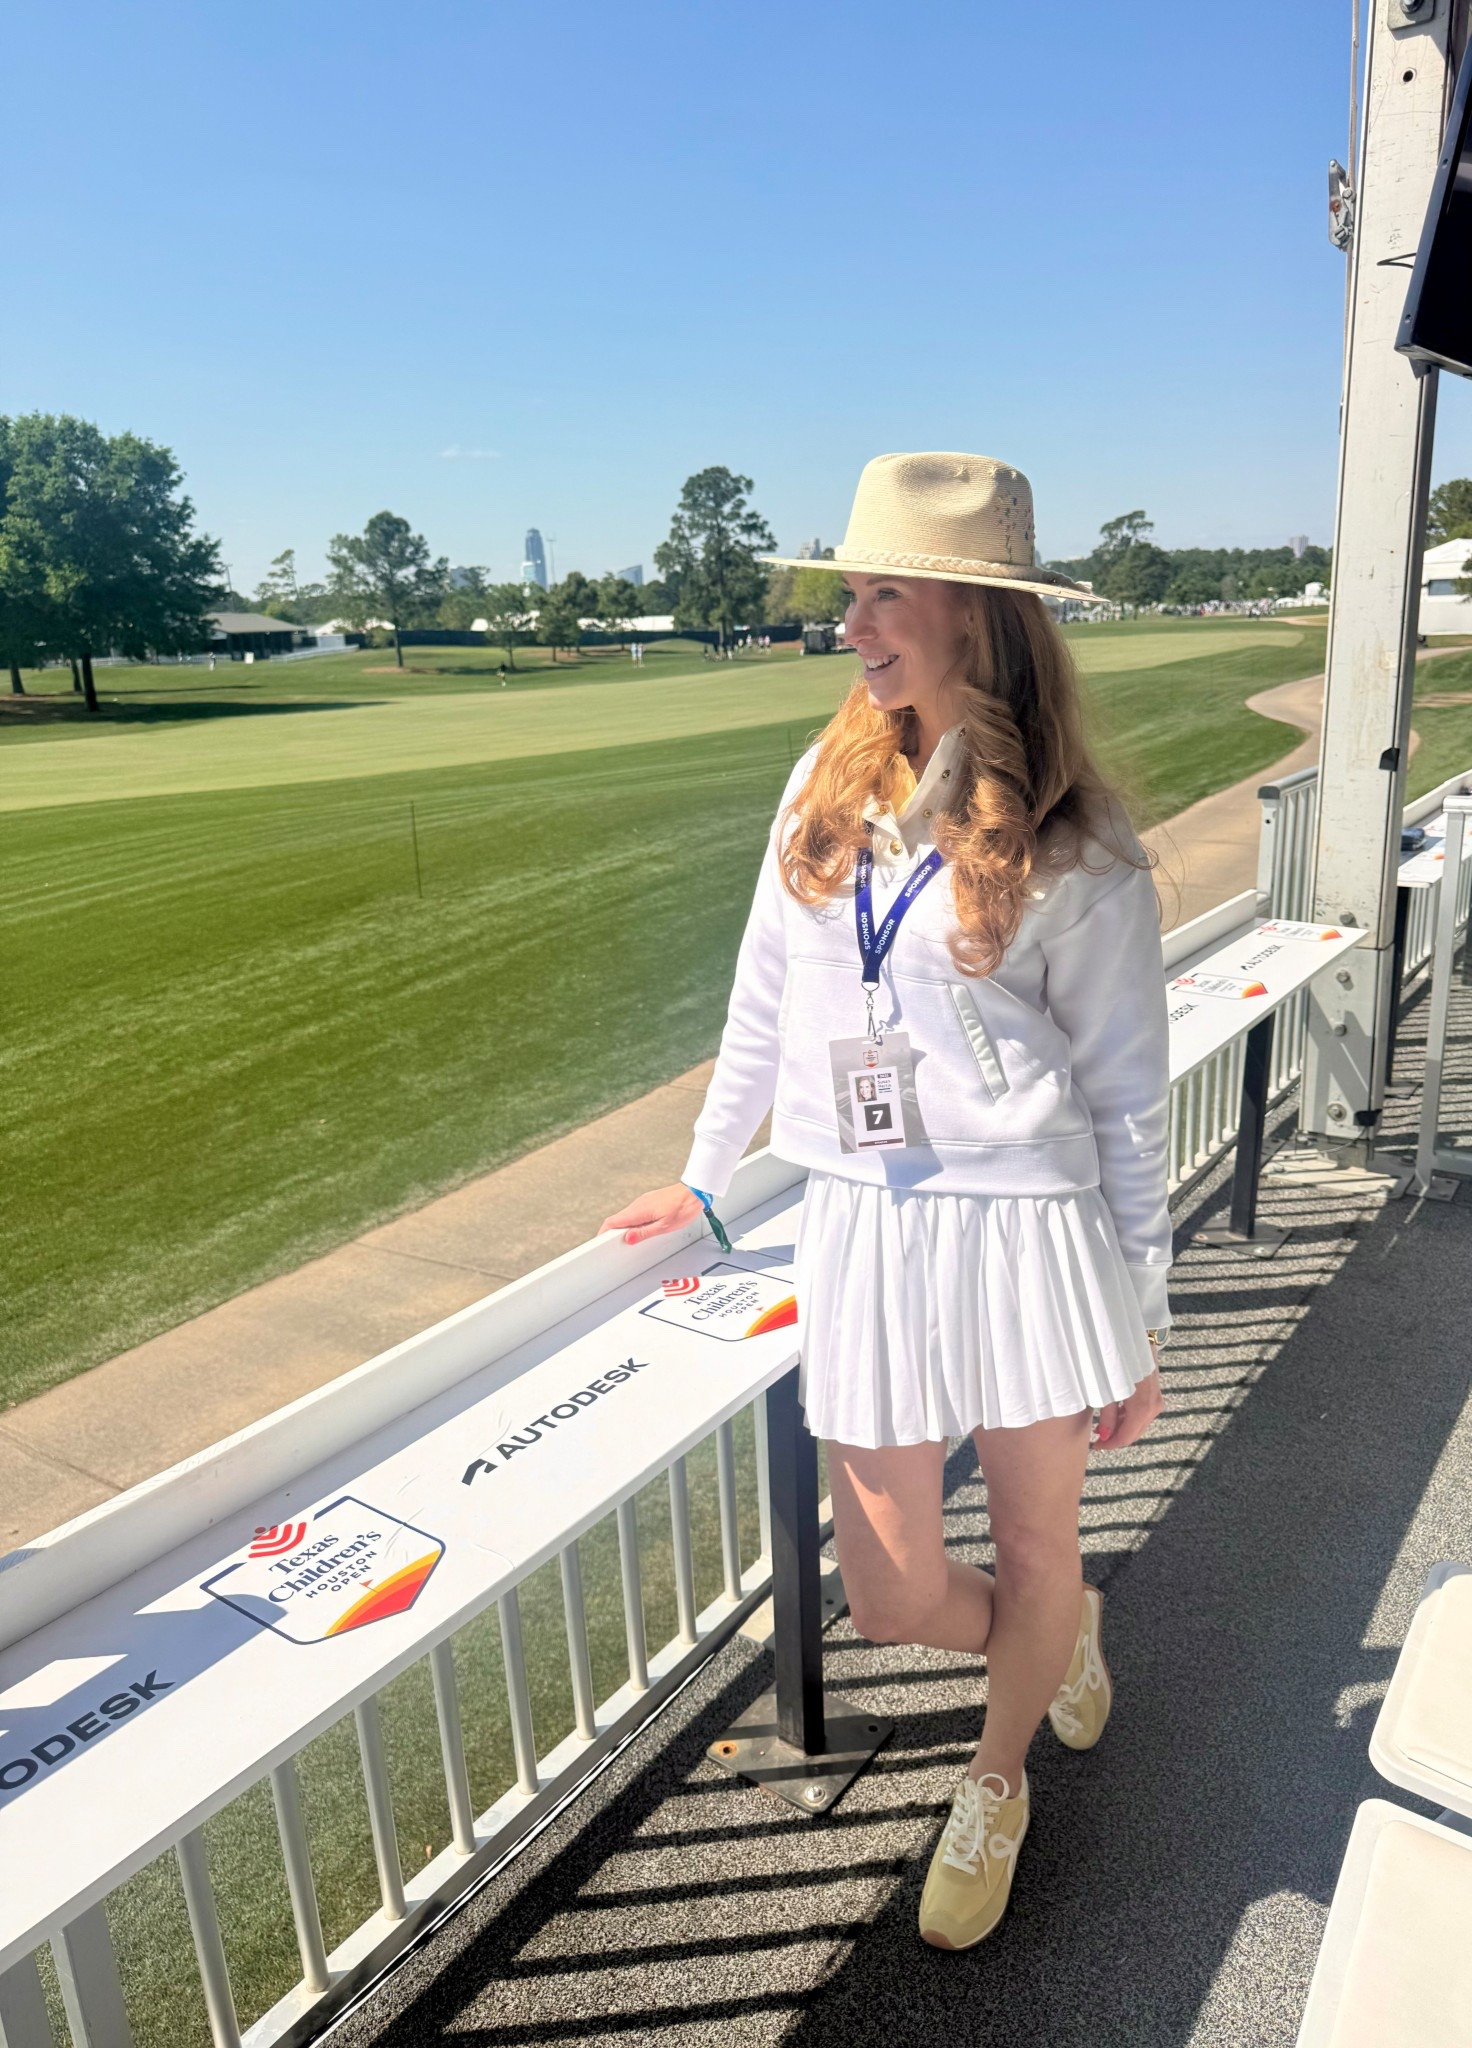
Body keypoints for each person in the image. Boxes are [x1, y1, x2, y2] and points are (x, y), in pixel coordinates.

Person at [602, 452, 1172, 1952]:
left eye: (885, 595)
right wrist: (706, 1174)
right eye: (850, 594)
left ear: (979, 616)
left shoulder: (1082, 841)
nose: (850, 625)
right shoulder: (825, 783)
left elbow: (1127, 1098)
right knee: (892, 1592)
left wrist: (1144, 1311)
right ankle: (1053, 1641)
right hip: (862, 1222)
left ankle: (997, 1777)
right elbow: (762, 1000)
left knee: (1037, 1548)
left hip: (1031, 1232)